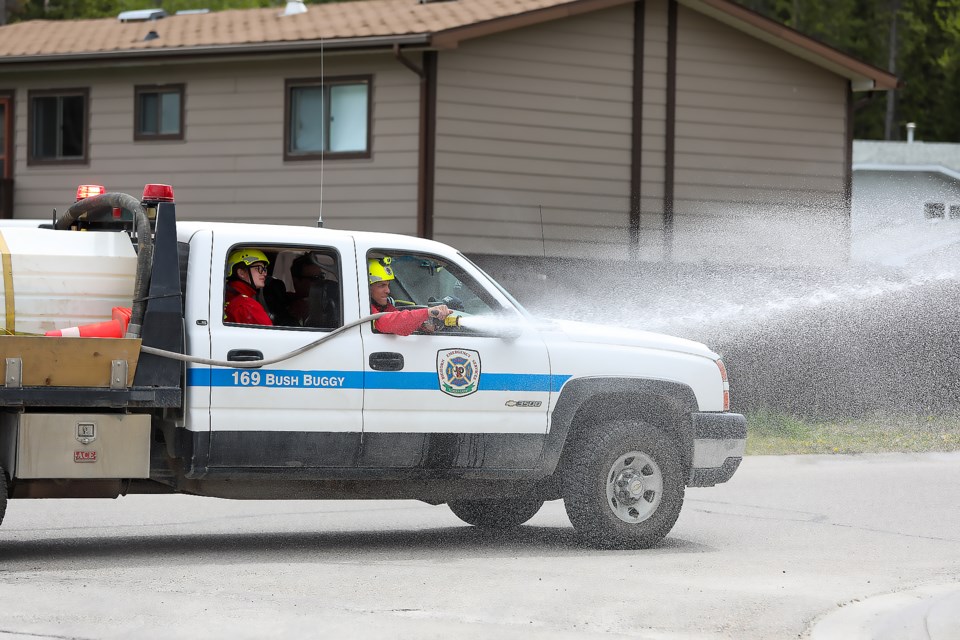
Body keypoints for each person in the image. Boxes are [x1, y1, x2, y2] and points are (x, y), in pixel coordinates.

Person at [368, 257, 450, 336]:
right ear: (367, 288)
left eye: (388, 285)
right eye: (382, 286)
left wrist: (424, 325)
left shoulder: (384, 307)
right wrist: (428, 312)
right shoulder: (366, 309)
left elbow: (401, 322)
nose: (388, 291)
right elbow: (387, 323)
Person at [224, 248, 273, 326]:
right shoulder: (246, 305)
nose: (264, 273)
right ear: (241, 273)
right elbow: (271, 336)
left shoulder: (226, 296)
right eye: (259, 268)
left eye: (264, 269)